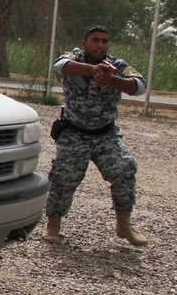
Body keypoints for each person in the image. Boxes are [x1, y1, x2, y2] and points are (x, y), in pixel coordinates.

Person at [43, 24, 147, 247]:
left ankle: (124, 225)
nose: (100, 45)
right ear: (84, 43)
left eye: (104, 41)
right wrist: (91, 70)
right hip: (74, 133)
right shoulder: (74, 58)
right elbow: (60, 66)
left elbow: (139, 86)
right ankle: (53, 224)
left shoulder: (117, 65)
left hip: (105, 135)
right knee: (64, 176)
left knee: (125, 169)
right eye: (96, 40)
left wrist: (112, 80)